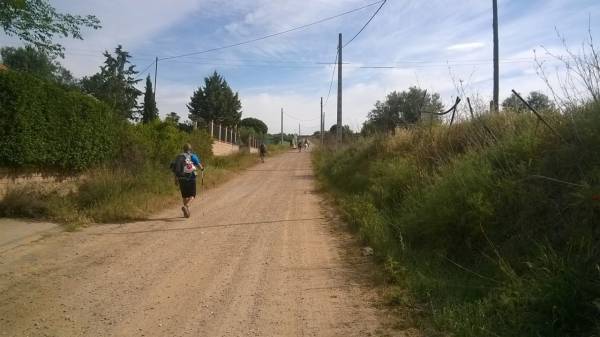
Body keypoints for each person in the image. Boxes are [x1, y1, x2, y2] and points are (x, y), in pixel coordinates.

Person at [171, 143, 203, 218]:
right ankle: (186, 206)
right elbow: (199, 166)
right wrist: (202, 168)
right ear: (190, 149)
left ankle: (186, 213)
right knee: (192, 195)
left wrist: (175, 179)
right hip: (191, 178)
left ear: (183, 149)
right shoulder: (192, 156)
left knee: (185, 196)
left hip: (181, 178)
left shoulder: (178, 157)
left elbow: (175, 169)